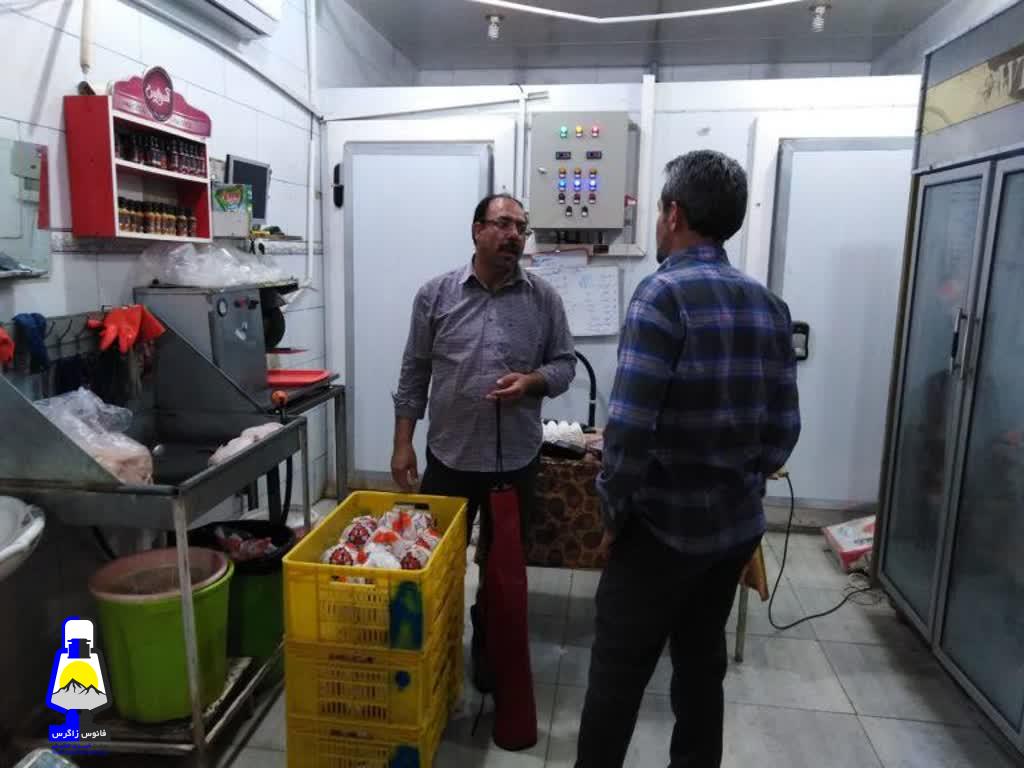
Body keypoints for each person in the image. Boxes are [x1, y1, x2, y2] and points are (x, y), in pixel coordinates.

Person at [576, 151, 801, 768]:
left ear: (673, 214)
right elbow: (784, 431)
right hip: (730, 534)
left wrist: (612, 514)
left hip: (658, 533)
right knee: (702, 672)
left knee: (617, 679)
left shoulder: (661, 295)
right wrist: (737, 481)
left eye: (657, 211)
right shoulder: (769, 305)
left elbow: (627, 432)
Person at [391, 192, 576, 688]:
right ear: (477, 230)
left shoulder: (544, 299)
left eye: (521, 228)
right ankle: (436, 653)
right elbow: (414, 373)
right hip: (448, 459)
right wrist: (403, 442)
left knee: (501, 571)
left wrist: (532, 382)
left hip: (513, 462)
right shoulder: (435, 295)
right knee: (434, 563)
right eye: (503, 224)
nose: (514, 235)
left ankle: (489, 653)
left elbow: (565, 365)